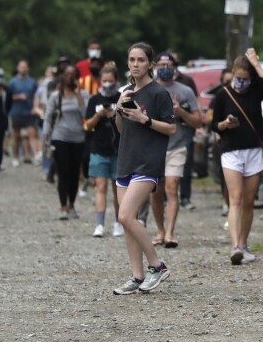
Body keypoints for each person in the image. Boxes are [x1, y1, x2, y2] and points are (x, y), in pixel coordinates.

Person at [111, 42, 177, 295]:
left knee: (125, 216)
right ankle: (137, 275)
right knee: (130, 221)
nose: (136, 64)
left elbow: (171, 128)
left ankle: (157, 265)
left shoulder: (158, 93)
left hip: (147, 163)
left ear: (150, 64)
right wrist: (119, 108)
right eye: (132, 59)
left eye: (141, 60)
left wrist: (144, 119)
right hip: (125, 160)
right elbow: (120, 129)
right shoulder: (126, 92)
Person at [212, 48, 263, 263]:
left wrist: (256, 63)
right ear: (232, 74)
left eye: (245, 79)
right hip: (231, 150)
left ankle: (244, 242)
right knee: (235, 198)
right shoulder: (222, 95)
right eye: (238, 78)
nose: (241, 82)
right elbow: (214, 124)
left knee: (249, 201)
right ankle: (236, 246)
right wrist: (225, 124)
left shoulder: (255, 90)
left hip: (253, 150)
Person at [151, 51, 202, 248]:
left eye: (168, 65)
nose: (165, 68)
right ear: (155, 67)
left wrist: (181, 112)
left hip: (177, 146)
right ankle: (160, 231)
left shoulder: (185, 91)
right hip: (154, 148)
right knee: (155, 192)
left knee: (172, 188)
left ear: (175, 68)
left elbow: (199, 121)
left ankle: (170, 233)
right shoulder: (149, 89)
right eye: (161, 65)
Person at [43, 65, 88, 220]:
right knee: (63, 172)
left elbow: (86, 114)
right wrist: (46, 134)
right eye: (67, 74)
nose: (70, 77)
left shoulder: (83, 94)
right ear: (62, 77)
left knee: (74, 173)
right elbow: (48, 116)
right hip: (60, 136)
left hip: (78, 137)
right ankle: (63, 206)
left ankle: (72, 204)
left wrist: (79, 96)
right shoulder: (56, 96)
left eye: (73, 75)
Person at [84, 65, 124, 238]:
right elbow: (87, 125)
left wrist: (115, 114)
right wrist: (99, 115)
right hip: (99, 148)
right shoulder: (94, 100)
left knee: (118, 188)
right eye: (104, 81)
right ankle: (99, 224)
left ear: (116, 81)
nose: (107, 84)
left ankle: (118, 222)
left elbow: (129, 124)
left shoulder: (122, 97)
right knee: (101, 187)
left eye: (110, 81)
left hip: (118, 149)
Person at [207, 68, 234, 222]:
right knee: (225, 175)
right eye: (226, 82)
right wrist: (221, 126)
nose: (229, 84)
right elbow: (209, 118)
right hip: (222, 139)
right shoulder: (219, 97)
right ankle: (227, 202)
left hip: (242, 141)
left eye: (232, 81)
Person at [8, 60, 40, 166]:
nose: (23, 69)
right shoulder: (12, 82)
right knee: (16, 136)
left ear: (28, 68)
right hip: (16, 112)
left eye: (25, 67)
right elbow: (8, 97)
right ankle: (15, 156)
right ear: (18, 68)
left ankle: (35, 155)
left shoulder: (32, 81)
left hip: (29, 111)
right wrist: (18, 97)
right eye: (21, 67)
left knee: (32, 133)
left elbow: (37, 95)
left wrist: (36, 106)